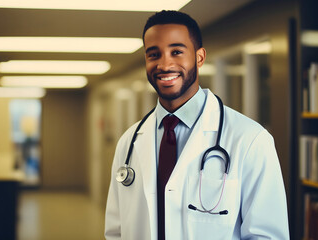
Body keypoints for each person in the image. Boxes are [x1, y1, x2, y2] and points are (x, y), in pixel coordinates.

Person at [105, 10, 289, 240]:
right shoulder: (129, 142)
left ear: (199, 57)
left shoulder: (250, 139)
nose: (164, 64)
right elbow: (116, 231)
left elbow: (267, 235)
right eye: (154, 54)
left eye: (176, 52)